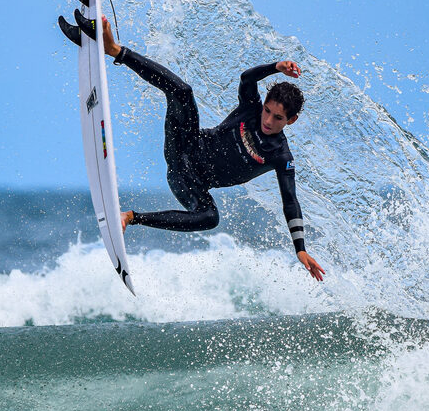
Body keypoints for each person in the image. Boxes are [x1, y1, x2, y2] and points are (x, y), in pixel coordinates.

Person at [64, 15, 325, 282]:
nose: (268, 121)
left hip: (190, 183)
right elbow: (247, 78)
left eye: (278, 118)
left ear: (291, 120)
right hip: (185, 144)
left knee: (210, 217)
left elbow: (290, 200)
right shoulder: (251, 108)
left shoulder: (281, 156)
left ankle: (130, 217)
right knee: (182, 92)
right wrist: (275, 67)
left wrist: (300, 249)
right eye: (267, 111)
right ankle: (114, 50)